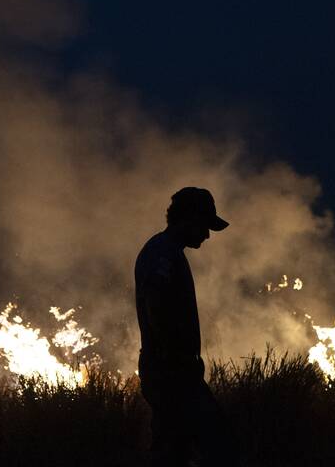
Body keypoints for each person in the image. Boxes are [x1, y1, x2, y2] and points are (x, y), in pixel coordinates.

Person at [135, 187, 238, 466]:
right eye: (204, 226)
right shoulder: (162, 254)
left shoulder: (167, 252)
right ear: (189, 218)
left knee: (175, 450)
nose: (206, 235)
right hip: (171, 371)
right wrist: (174, 357)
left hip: (173, 369)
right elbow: (155, 302)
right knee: (215, 444)